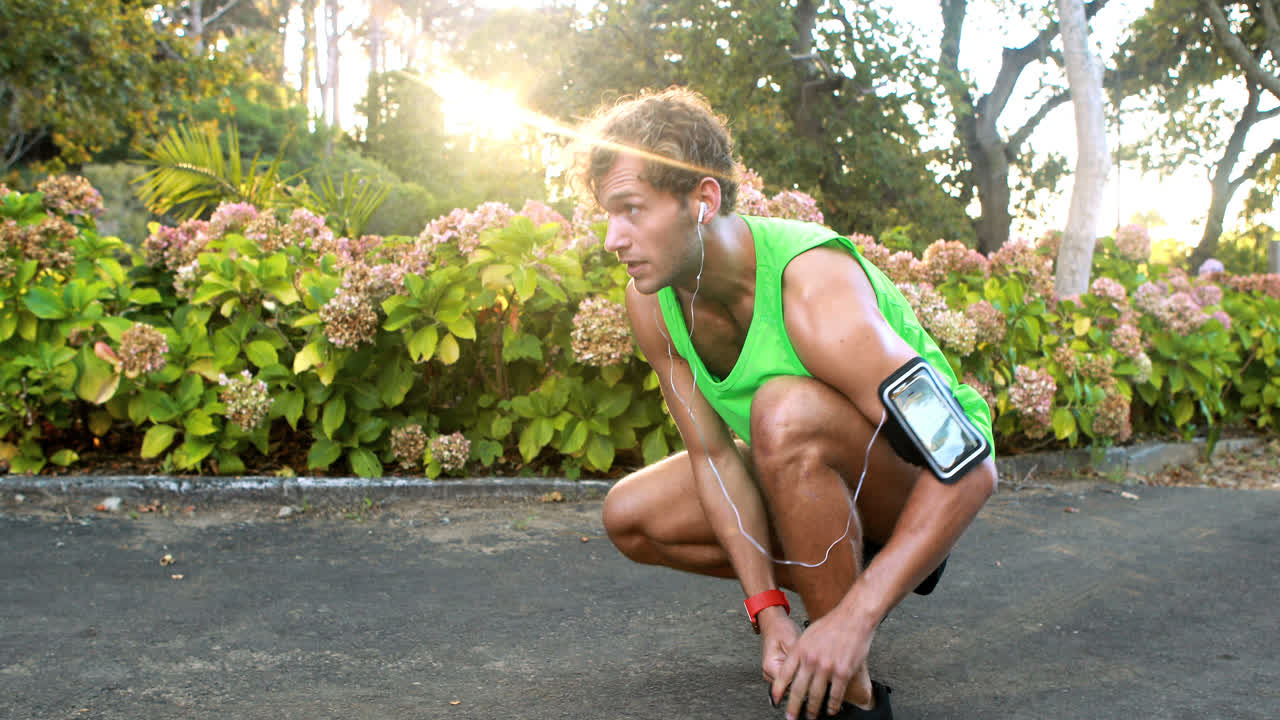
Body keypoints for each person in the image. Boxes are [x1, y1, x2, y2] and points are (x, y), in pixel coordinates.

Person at [576, 87, 998, 720]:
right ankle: (840, 592)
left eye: (631, 209)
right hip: (808, 482)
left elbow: (968, 464)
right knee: (631, 514)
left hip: (914, 484)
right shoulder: (652, 302)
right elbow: (714, 459)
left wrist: (854, 619)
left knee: (783, 413)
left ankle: (849, 693)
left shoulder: (812, 287)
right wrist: (769, 614)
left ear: (702, 200)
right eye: (608, 214)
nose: (614, 238)